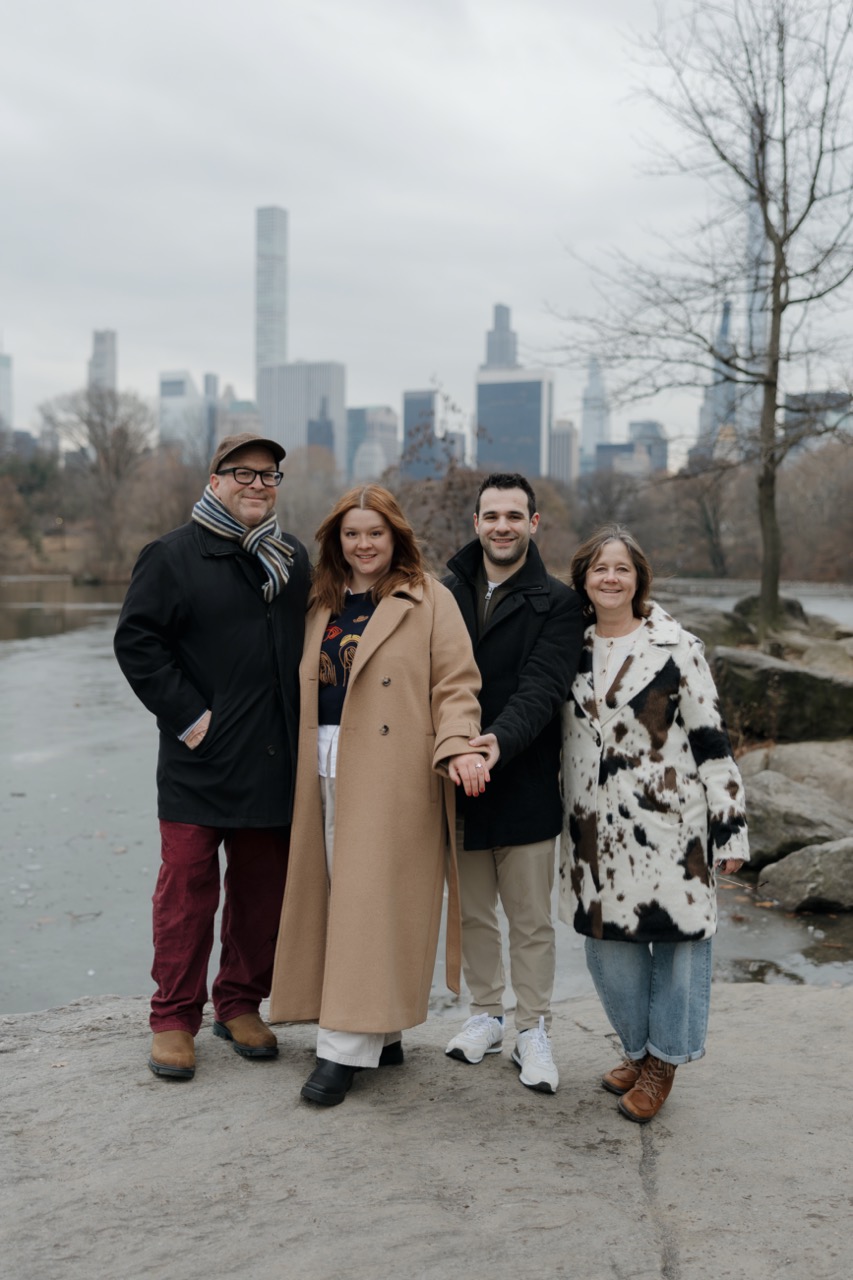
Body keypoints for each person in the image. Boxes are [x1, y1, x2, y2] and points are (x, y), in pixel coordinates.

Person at [268, 484, 489, 1107]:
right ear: (336, 541)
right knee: (337, 897)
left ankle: (341, 1049)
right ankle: (381, 1032)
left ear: (396, 536)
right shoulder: (322, 600)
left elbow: (457, 685)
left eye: (375, 533)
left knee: (366, 903)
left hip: (393, 772)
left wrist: (460, 745)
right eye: (351, 534)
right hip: (322, 766)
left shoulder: (429, 598)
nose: (363, 545)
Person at [114, 432, 310, 1081]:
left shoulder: (291, 559)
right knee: (185, 893)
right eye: (242, 473)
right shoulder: (171, 556)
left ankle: (238, 1003)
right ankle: (173, 1017)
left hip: (272, 759)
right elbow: (138, 644)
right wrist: (192, 720)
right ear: (215, 480)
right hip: (198, 761)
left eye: (268, 474)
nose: (257, 484)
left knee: (260, 893)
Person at [561, 524, 749, 1122]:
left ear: (639, 578)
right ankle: (638, 1048)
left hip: (671, 825)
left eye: (622, 568)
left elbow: (712, 741)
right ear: (583, 580)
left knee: (676, 945)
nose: (610, 578)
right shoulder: (566, 647)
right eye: (599, 568)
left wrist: (730, 827)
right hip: (593, 830)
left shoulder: (676, 646)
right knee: (606, 948)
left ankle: (663, 1062)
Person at [442, 473, 585, 1093]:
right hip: (457, 781)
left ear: (533, 524)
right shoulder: (443, 594)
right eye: (492, 515)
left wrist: (496, 742)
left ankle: (532, 1028)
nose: (502, 526)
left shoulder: (559, 602)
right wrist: (456, 749)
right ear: (476, 523)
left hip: (524, 778)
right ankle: (486, 1015)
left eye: (514, 516)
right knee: (473, 914)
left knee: (530, 921)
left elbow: (544, 686)